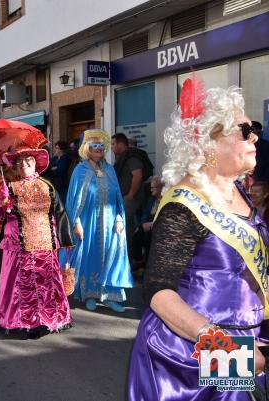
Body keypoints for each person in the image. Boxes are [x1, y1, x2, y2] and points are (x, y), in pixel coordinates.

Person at [128, 83, 269, 400]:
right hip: (200, 350)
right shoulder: (184, 204)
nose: (254, 137)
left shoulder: (237, 191)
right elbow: (159, 292)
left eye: (254, 129)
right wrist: (232, 352)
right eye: (244, 130)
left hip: (247, 340)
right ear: (210, 141)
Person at [0, 147, 73, 336]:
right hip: (18, 246)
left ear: (35, 164)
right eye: (20, 162)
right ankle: (20, 320)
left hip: (45, 245)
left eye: (29, 161)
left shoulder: (47, 186)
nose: (24, 164)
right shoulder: (9, 188)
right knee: (21, 287)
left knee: (45, 286)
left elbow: (59, 212)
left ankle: (47, 319)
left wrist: (66, 238)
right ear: (16, 167)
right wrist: (1, 201)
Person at [65, 129, 133, 312]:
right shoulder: (80, 170)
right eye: (94, 146)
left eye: (101, 146)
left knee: (111, 256)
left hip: (111, 222)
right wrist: (76, 222)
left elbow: (118, 196)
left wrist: (120, 217)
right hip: (88, 222)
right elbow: (73, 199)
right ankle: (90, 295)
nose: (98, 149)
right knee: (89, 256)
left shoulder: (109, 169)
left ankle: (109, 296)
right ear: (87, 148)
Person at [111, 132, 154, 250]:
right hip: (125, 196)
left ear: (121, 144)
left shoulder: (131, 157)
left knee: (121, 221)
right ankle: (131, 250)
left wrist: (131, 194)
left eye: (113, 144)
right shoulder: (123, 157)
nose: (111, 147)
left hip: (131, 197)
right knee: (129, 224)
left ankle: (126, 250)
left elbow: (137, 175)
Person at [131, 176, 163, 279]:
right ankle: (138, 261)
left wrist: (152, 224)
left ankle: (148, 266)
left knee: (149, 237)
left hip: (157, 225)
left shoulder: (165, 201)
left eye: (154, 188)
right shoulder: (152, 199)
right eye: (151, 187)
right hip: (149, 223)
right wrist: (141, 225)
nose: (151, 190)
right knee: (138, 234)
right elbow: (145, 214)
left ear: (161, 188)